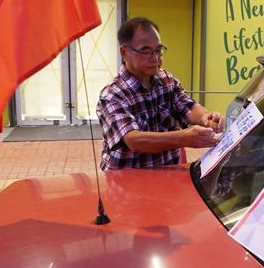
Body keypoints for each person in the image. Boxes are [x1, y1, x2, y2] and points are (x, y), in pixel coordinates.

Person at [96, 16, 224, 169]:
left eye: (158, 50)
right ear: (124, 52)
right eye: (146, 52)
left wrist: (206, 117)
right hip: (126, 182)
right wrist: (185, 138)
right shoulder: (112, 95)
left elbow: (187, 106)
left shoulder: (166, 80)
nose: (155, 58)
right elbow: (134, 140)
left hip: (167, 175)